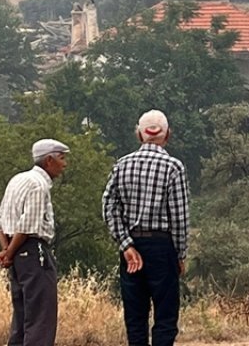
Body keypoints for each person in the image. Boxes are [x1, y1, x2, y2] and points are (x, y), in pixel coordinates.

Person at [101, 109, 191, 346]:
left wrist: (125, 244)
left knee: (135, 316)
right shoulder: (173, 167)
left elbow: (108, 206)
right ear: (167, 135)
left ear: (139, 135)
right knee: (165, 315)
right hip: (162, 247)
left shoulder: (122, 165)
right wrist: (180, 254)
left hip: (131, 247)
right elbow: (179, 217)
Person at [0, 138, 70, 346]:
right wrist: (8, 253)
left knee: (22, 316)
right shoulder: (38, 185)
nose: (64, 164)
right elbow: (28, 226)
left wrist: (7, 250)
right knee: (40, 319)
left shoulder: (17, 180)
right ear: (49, 161)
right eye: (61, 159)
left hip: (17, 255)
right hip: (34, 253)